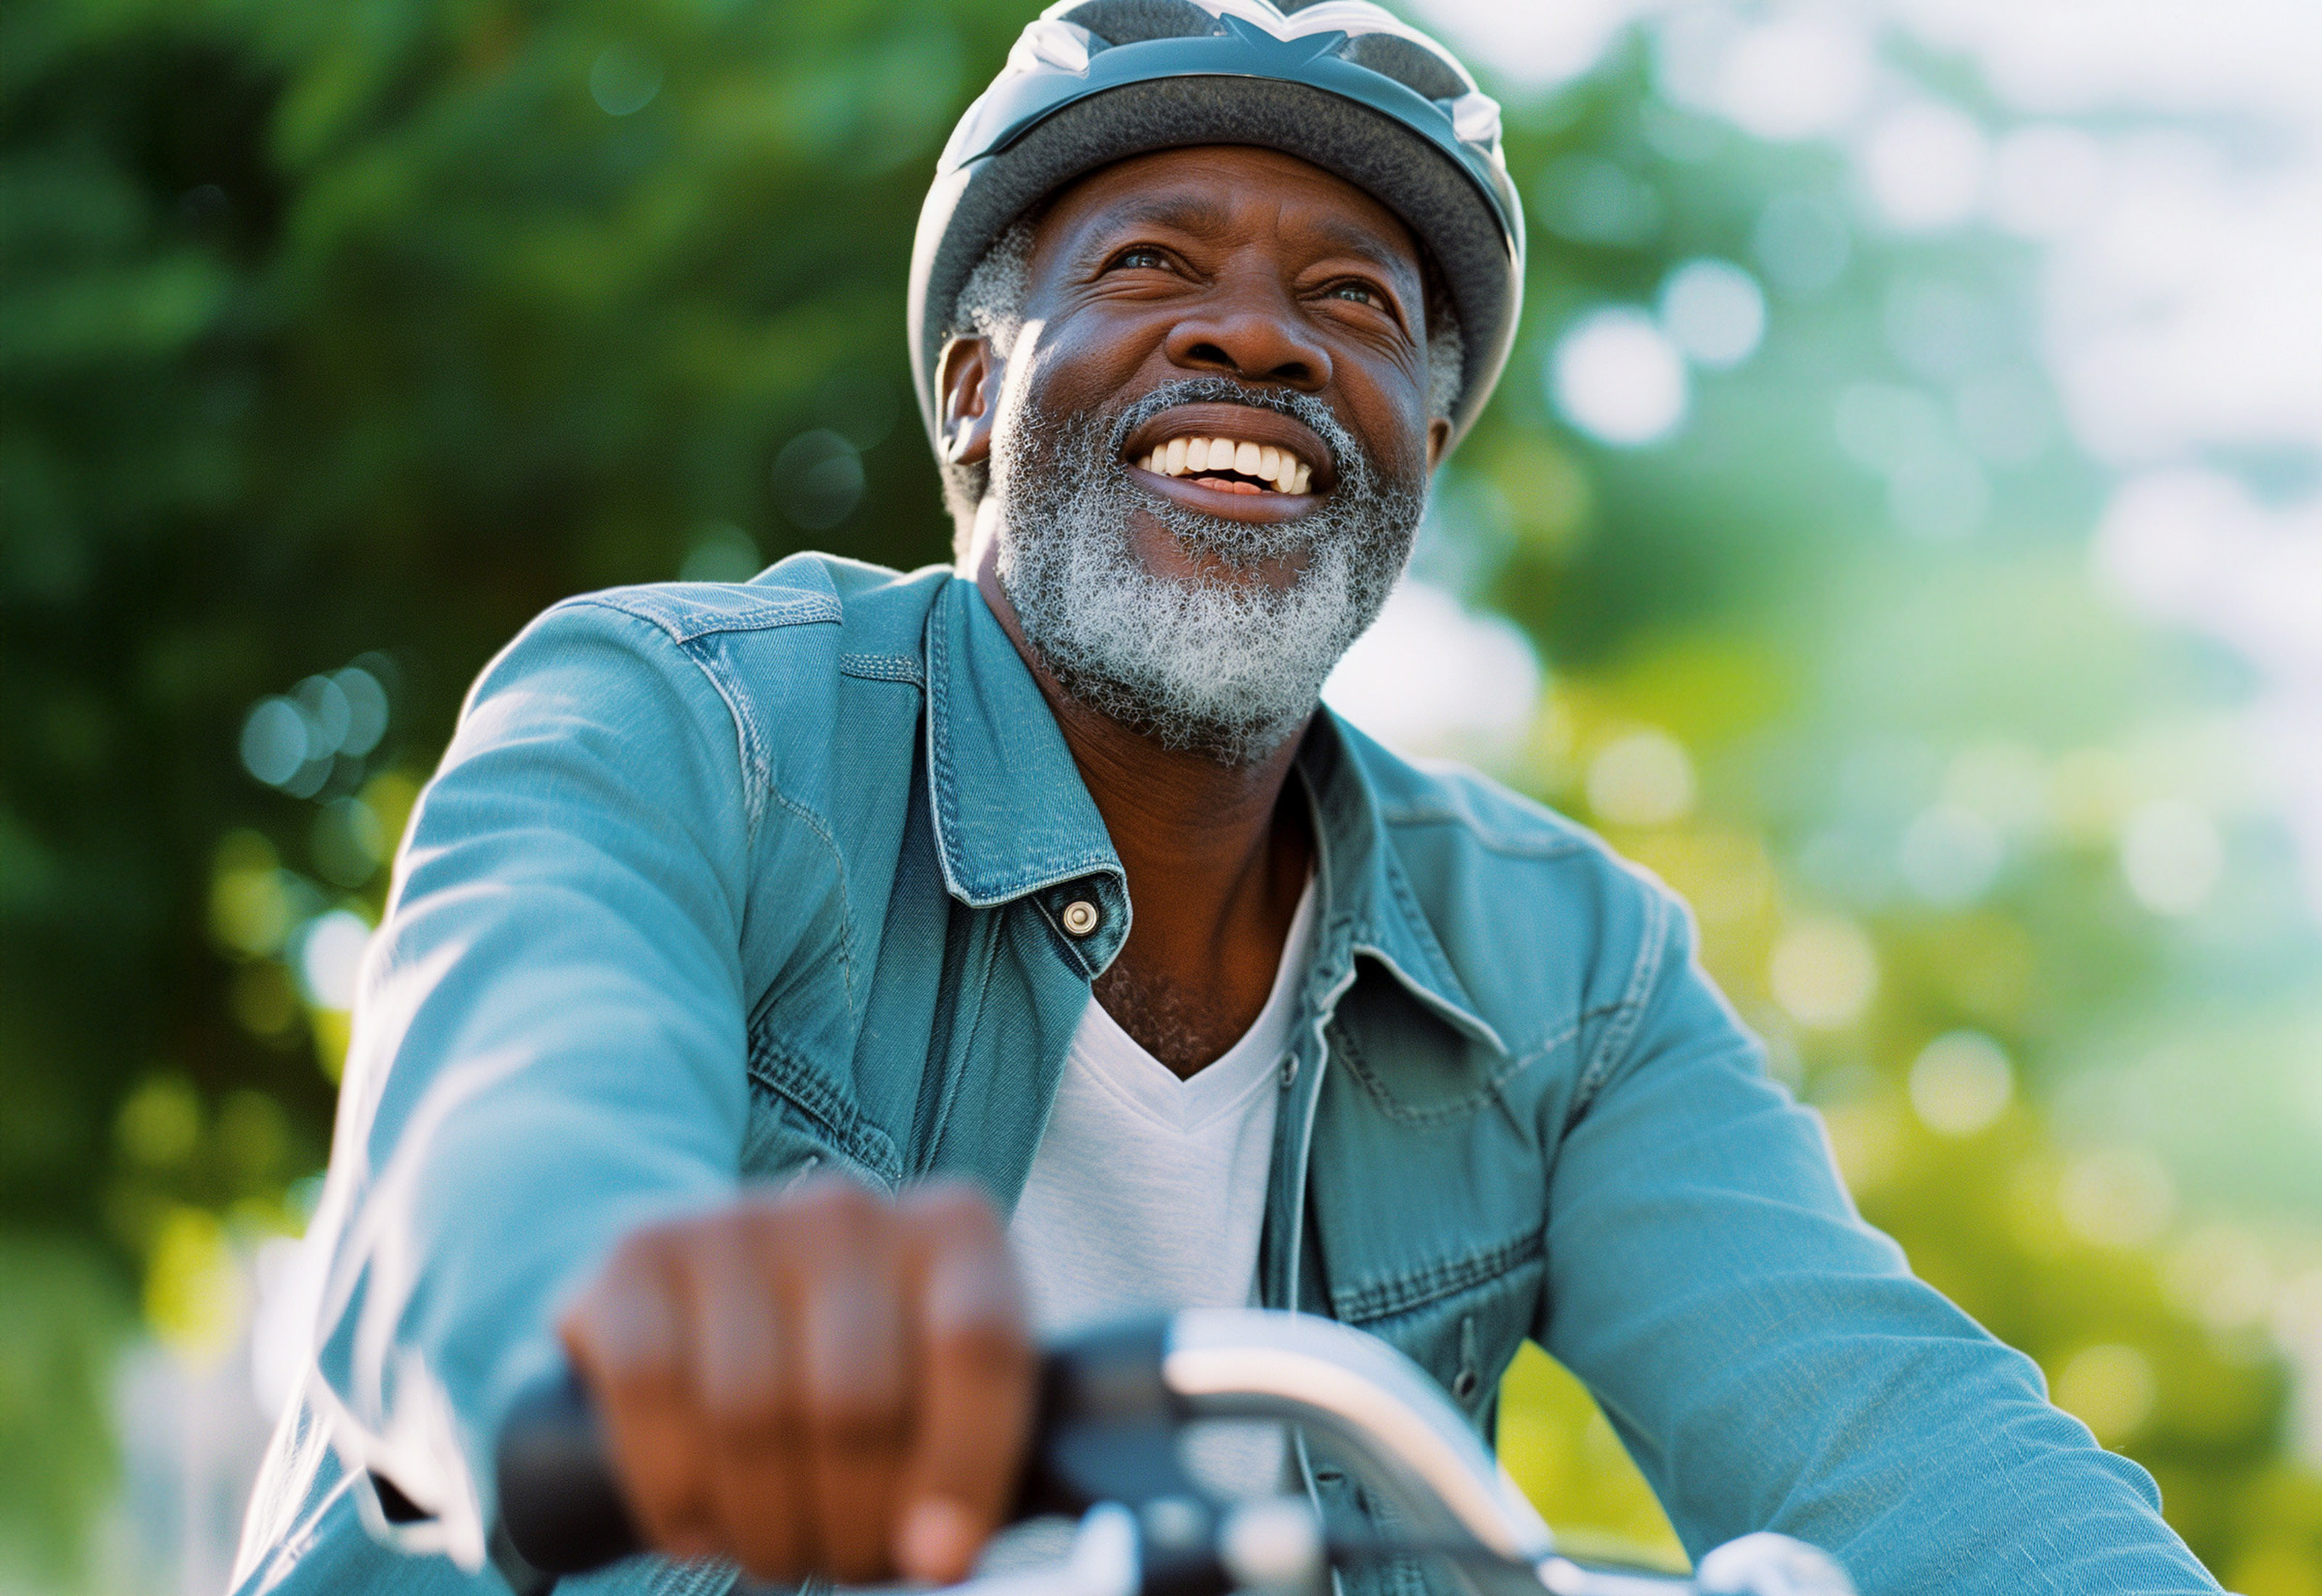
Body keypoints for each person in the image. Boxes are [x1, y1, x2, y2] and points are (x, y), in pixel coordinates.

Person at [229, 4, 2223, 1593]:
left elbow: (1892, 1433)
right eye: (1153, 261)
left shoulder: (1574, 976)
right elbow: (501, 1171)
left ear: (1424, 441)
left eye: (1354, 305)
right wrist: (649, 1317)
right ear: (972, 395)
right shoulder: (679, 730)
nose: (1257, 333)